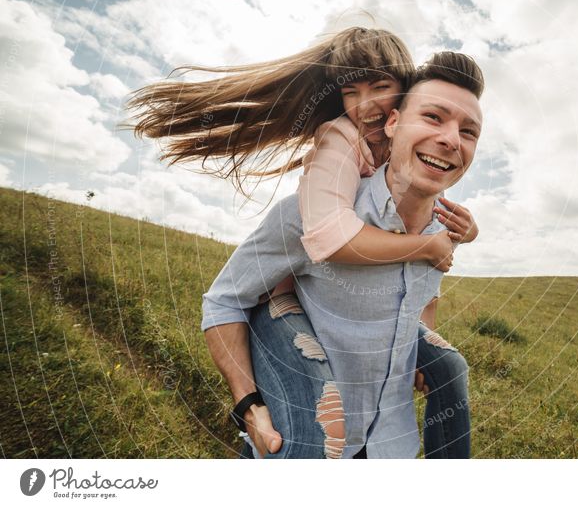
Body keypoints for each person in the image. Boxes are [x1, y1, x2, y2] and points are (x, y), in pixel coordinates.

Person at [127, 29, 475, 457]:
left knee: (450, 365)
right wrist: (248, 405)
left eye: (381, 87)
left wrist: (420, 348)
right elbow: (230, 296)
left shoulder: (438, 225)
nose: (366, 104)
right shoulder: (329, 169)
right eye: (352, 91)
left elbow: (425, 294)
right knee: (312, 385)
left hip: (391, 443)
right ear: (397, 119)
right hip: (303, 413)